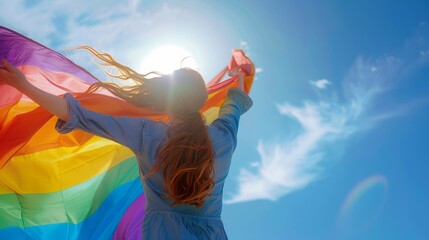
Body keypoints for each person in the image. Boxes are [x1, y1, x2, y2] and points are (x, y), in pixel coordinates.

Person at [0, 50, 252, 239]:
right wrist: (238, 71)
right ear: (200, 102)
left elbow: (77, 114)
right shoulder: (223, 137)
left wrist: (23, 85)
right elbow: (235, 101)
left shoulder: (148, 133)